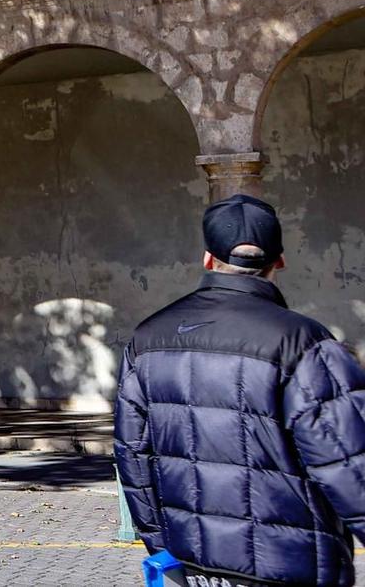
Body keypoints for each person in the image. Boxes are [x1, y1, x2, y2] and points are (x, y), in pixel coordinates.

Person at [115, 194, 365, 587]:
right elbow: (350, 466)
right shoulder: (303, 342)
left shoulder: (147, 338)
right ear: (278, 260)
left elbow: (133, 456)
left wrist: (163, 545)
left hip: (193, 565)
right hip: (291, 566)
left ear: (207, 257)